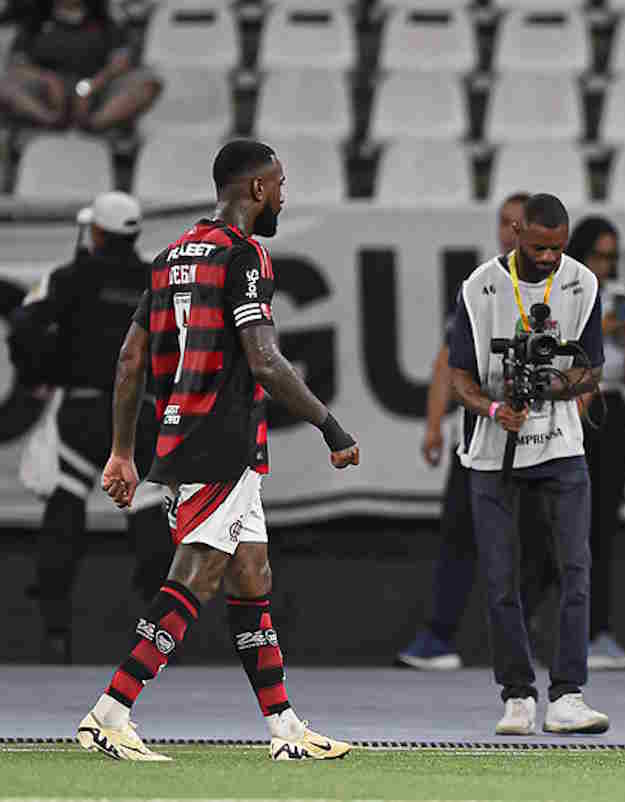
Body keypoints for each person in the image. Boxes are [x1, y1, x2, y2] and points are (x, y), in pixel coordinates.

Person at [75, 140, 361, 762]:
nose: (284, 194)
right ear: (257, 189)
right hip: (219, 438)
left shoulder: (171, 255)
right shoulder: (243, 255)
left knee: (251, 574)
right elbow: (264, 359)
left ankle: (285, 728)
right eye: (280, 183)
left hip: (185, 433)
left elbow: (130, 360)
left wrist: (123, 451)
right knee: (198, 573)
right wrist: (331, 428)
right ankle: (111, 710)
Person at [449, 193, 608, 736]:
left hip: (561, 446)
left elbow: (593, 371)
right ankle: (517, 695)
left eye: (558, 248)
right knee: (500, 576)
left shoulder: (582, 283)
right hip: (492, 451)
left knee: (575, 569)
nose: (549, 258)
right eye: (539, 247)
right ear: (515, 232)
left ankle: (567, 695)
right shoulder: (479, 287)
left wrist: (555, 386)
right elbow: (459, 378)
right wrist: (496, 407)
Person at [7, 191, 172, 664]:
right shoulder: (154, 282)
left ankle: (55, 630)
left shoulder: (69, 278)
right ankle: (160, 636)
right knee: (147, 515)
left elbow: (24, 327)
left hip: (80, 410)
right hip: (139, 415)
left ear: (96, 232)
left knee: (65, 504)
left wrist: (42, 371)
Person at [397, 192, 537, 671]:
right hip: (480, 431)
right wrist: (435, 426)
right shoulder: (480, 286)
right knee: (460, 533)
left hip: (538, 435)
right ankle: (438, 636)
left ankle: (529, 640)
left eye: (519, 224)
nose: (509, 232)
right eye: (504, 222)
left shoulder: (560, 286)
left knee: (536, 541)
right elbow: (446, 362)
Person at [562, 217, 625, 671]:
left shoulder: (624, 298)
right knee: (565, 522)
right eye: (599, 255)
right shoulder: (569, 293)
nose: (606, 265)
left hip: (614, 411)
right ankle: (563, 625)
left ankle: (598, 630)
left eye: (612, 257)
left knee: (603, 525)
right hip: (574, 409)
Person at [0, 0, 160, 131]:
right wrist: (48, 79)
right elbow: (17, 64)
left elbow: (121, 62)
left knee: (147, 84)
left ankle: (92, 124)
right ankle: (51, 120)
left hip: (95, 87)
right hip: (46, 91)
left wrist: (92, 85)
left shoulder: (105, 23)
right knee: (5, 85)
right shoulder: (34, 24)